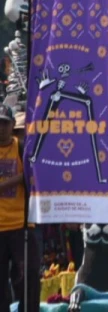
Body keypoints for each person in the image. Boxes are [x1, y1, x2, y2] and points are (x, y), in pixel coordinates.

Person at [0, 104, 38, 312]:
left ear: (13, 124)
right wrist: (18, 179)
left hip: (22, 225)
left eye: (4, 123)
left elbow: (35, 177)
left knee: (28, 278)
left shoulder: (23, 149)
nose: (1, 128)